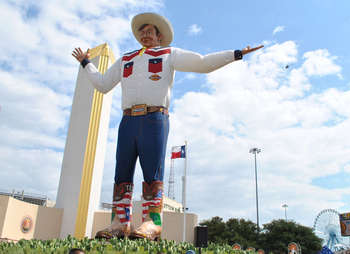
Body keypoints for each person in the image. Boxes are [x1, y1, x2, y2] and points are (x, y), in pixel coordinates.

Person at [72, 12, 263, 241]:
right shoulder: (126, 59)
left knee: (152, 171)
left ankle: (152, 222)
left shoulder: (168, 54)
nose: (145, 35)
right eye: (142, 31)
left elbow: (202, 64)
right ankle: (120, 223)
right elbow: (103, 85)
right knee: (122, 172)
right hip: (128, 119)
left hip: (155, 118)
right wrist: (86, 63)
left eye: (150, 31)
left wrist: (236, 54)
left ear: (159, 36)